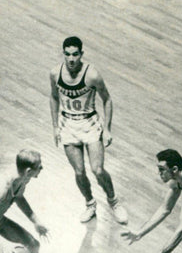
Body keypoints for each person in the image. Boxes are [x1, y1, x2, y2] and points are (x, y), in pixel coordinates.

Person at [49, 36, 128, 223]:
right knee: (79, 172)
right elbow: (53, 97)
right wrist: (54, 127)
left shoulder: (92, 75)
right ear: (63, 54)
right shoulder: (54, 73)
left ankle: (114, 202)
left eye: (75, 54)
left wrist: (107, 129)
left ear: (81, 54)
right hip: (68, 124)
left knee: (98, 170)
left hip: (89, 123)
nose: (71, 59)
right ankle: (90, 204)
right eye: (67, 54)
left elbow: (107, 99)